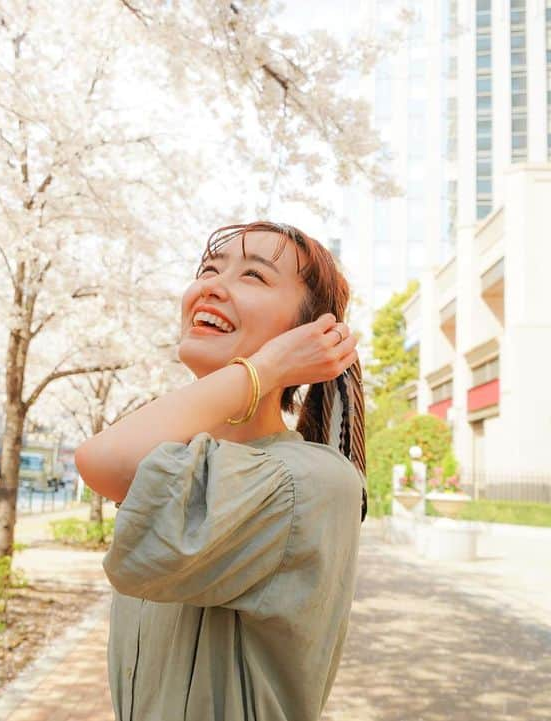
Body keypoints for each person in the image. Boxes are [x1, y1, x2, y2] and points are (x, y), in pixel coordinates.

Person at [75, 222, 366, 721]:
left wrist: (267, 368)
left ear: (309, 334)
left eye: (254, 276)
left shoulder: (308, 480)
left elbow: (102, 461)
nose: (210, 285)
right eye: (209, 268)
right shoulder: (178, 457)